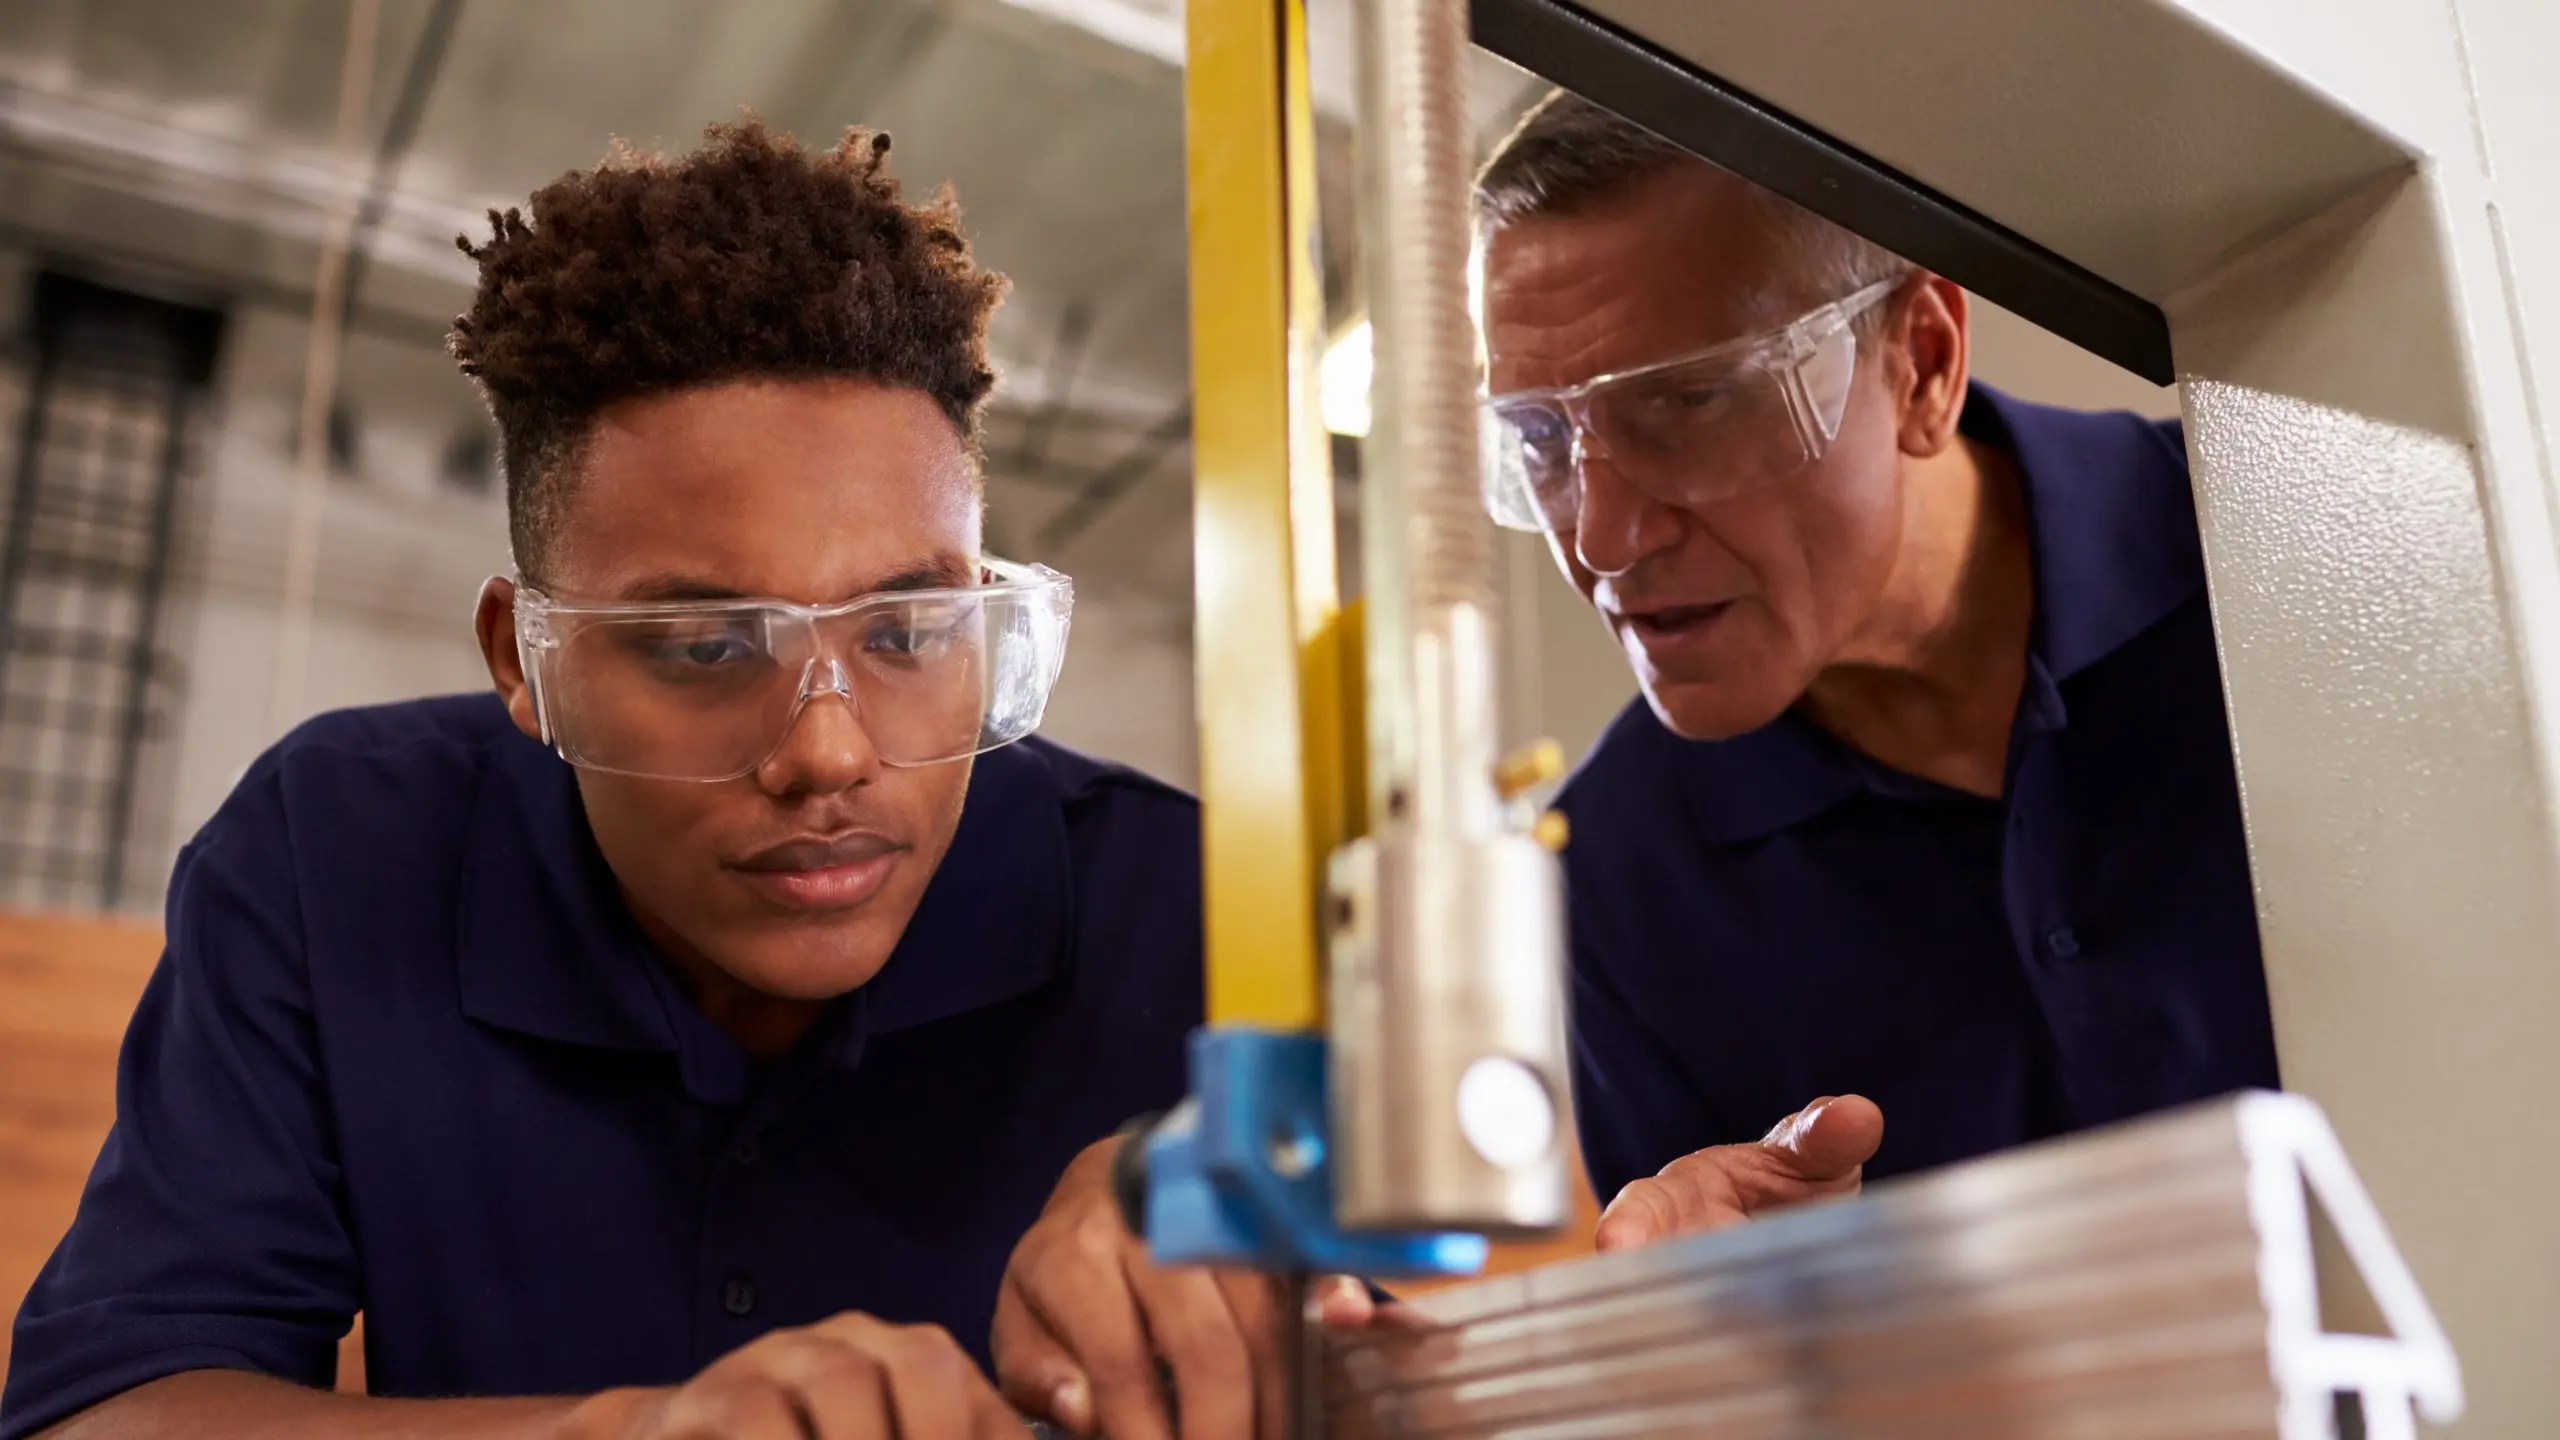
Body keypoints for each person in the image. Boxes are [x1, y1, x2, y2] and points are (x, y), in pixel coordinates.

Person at [1, 120, 1202, 1440]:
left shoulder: (1176, 907)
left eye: (910, 635)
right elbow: (101, 1413)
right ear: (525, 662)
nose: (829, 753)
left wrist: (1241, 1223)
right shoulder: (337, 853)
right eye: (705, 645)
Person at [1471, 93, 2281, 1251]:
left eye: (1688, 400)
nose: (1599, 539)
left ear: (1922, 363)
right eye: (1540, 442)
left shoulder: (2290, 577)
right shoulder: (1620, 874)